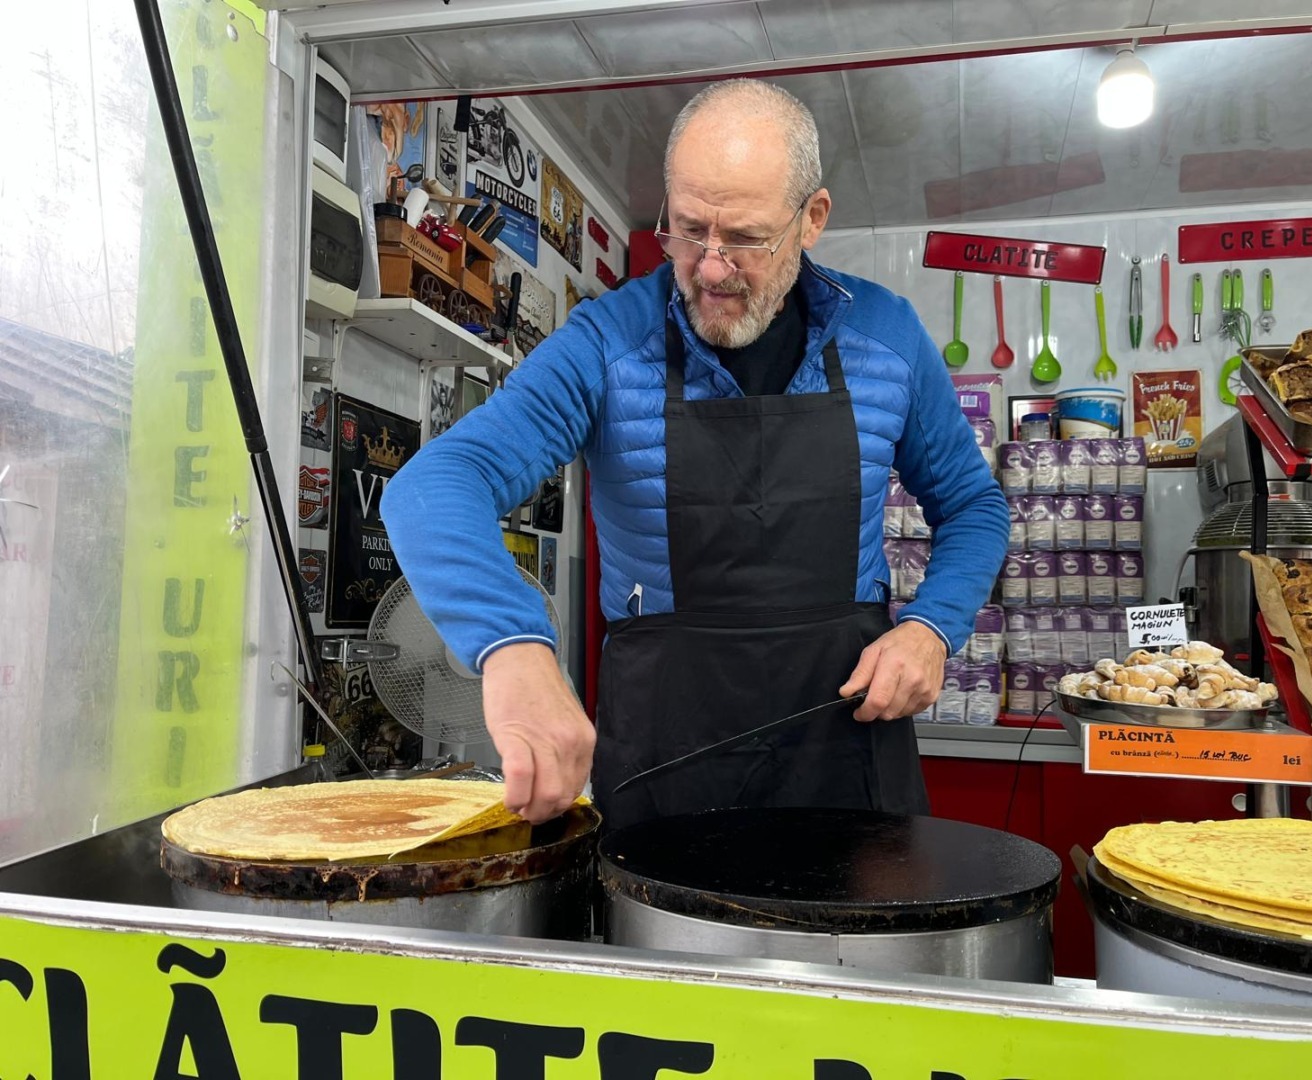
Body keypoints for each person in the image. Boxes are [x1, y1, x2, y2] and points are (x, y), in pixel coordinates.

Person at [382, 79, 1009, 831]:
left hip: (846, 757)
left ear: (812, 220)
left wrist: (933, 626)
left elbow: (974, 505)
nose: (710, 268)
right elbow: (435, 484)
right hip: (664, 766)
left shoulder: (888, 337)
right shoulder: (606, 342)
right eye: (686, 231)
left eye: (744, 238)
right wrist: (512, 647)